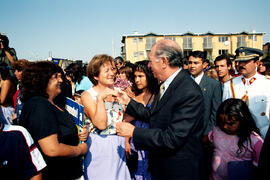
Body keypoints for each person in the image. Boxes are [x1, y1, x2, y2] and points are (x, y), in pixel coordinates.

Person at [116, 39, 205, 180]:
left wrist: (134, 132)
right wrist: (128, 101)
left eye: (151, 61)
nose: (149, 66)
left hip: (178, 170)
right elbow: (154, 116)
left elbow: (172, 138)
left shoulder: (188, 91)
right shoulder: (166, 85)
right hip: (161, 166)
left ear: (164, 61)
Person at [19, 61, 88, 180]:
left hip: (70, 172)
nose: (61, 81)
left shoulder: (54, 104)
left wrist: (79, 134)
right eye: (56, 77)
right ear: (42, 80)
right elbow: (52, 149)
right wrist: (79, 150)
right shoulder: (38, 105)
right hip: (55, 174)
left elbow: (62, 132)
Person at [81, 54, 131, 180]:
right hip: (99, 146)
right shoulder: (88, 95)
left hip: (118, 145)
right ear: (95, 75)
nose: (112, 73)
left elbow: (126, 116)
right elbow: (101, 124)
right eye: (106, 70)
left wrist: (126, 140)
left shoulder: (120, 91)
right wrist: (100, 99)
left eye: (113, 69)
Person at [209, 98, 263, 180]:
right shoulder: (217, 130)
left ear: (243, 120)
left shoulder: (254, 140)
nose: (225, 126)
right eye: (222, 122)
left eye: (230, 123)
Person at [223, 47, 270, 138]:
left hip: (262, 136)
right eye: (239, 61)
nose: (241, 64)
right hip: (238, 137)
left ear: (257, 63)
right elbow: (225, 112)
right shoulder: (230, 84)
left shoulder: (267, 84)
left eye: (246, 61)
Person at [125, 60, 159, 180]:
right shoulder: (133, 99)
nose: (137, 80)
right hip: (136, 145)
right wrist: (126, 142)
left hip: (152, 142)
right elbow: (126, 121)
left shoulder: (158, 96)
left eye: (141, 76)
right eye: (135, 76)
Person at [188, 51, 222, 136]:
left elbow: (215, 113)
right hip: (184, 134)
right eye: (190, 63)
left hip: (204, 135)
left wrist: (207, 134)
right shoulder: (181, 83)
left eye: (196, 63)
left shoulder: (214, 85)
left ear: (204, 65)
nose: (192, 66)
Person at [11, 59, 31, 124]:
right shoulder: (22, 87)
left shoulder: (28, 88)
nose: (15, 73)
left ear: (21, 72)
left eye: (16, 71)